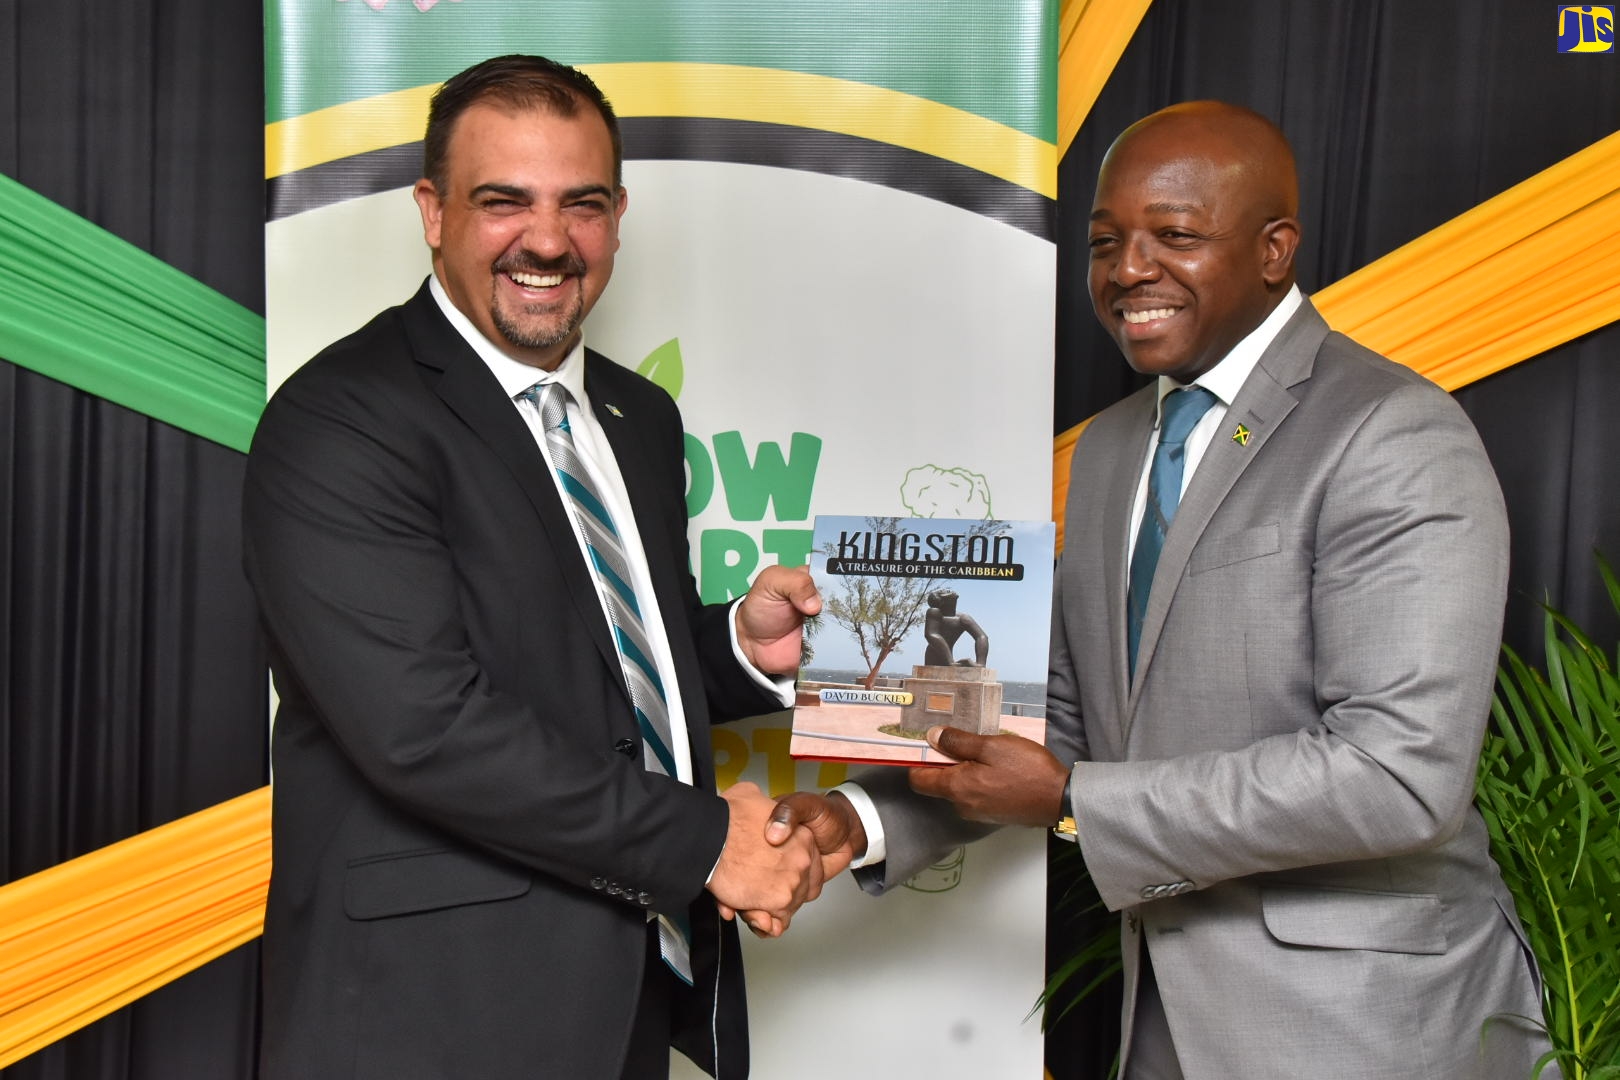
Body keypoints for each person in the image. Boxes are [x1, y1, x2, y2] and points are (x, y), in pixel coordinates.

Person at [765, 101, 1551, 1079]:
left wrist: (1077, 802)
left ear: (1275, 250)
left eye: (1174, 236)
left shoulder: (1391, 433)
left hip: (1362, 1032)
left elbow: (1399, 774)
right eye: (1106, 242)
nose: (1129, 269)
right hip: (1166, 1019)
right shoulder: (1112, 448)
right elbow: (1057, 717)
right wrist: (866, 818)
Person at [244, 54, 825, 1080]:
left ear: (618, 214)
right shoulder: (341, 419)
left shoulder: (637, 419)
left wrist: (739, 643)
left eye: (582, 205)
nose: (549, 241)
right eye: (503, 201)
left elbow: (599, 669)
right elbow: (424, 726)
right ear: (432, 211)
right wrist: (701, 842)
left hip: (625, 994)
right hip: (431, 1012)